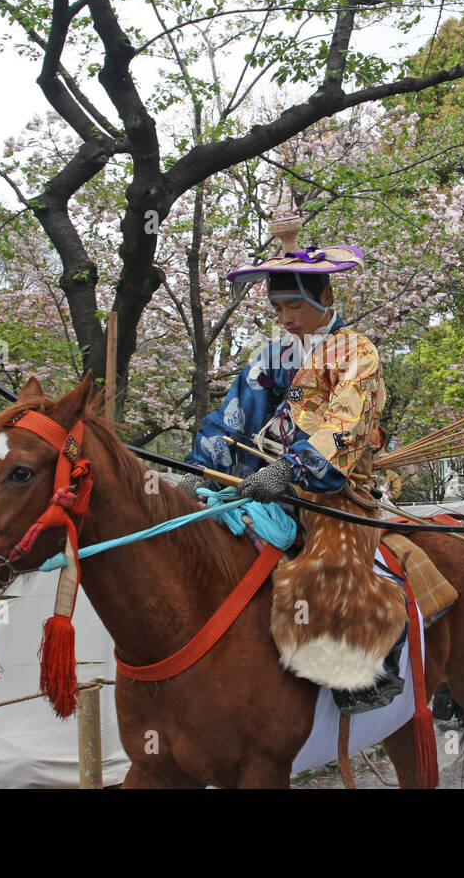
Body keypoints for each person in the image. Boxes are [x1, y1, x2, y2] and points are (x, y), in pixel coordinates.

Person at [178, 220, 407, 712]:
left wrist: (292, 470)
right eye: (277, 307)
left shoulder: (358, 352)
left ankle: (362, 674)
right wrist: (201, 467)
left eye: (294, 305)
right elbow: (236, 413)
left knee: (326, 570)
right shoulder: (274, 354)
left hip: (333, 485)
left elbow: (348, 422)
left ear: (325, 295)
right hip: (261, 478)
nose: (284, 317)